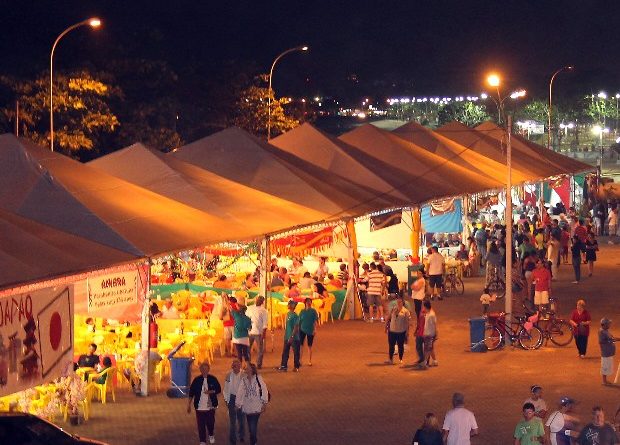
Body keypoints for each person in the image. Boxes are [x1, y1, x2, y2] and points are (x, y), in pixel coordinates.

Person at [187, 362, 222, 445]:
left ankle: (211, 434)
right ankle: (202, 441)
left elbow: (218, 389)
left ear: (208, 370)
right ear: (200, 370)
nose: (204, 371)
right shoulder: (197, 380)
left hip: (210, 406)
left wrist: (211, 391)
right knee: (201, 425)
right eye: (202, 369)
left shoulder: (213, 379)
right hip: (199, 406)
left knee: (210, 423)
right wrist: (189, 404)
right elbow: (191, 393)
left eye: (206, 369)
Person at [235, 364, 269, 445]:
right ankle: (253, 439)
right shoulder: (244, 380)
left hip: (256, 406)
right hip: (247, 407)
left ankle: (253, 442)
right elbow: (240, 392)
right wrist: (238, 404)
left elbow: (264, 389)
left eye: (248, 368)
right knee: (250, 425)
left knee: (252, 425)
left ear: (251, 369)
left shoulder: (258, 378)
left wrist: (264, 402)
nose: (246, 369)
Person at [223, 359, 245, 445]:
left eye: (237, 366)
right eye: (234, 366)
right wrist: (226, 399)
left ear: (240, 366)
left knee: (241, 420)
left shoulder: (244, 375)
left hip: (241, 398)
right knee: (232, 421)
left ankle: (241, 435)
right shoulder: (229, 375)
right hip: (232, 398)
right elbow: (226, 388)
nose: (235, 368)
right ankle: (233, 440)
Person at [385, 297, 411, 365]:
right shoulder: (393, 309)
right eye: (397, 302)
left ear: (403, 303)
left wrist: (407, 331)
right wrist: (386, 327)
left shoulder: (405, 311)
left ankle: (400, 359)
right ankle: (390, 359)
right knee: (391, 346)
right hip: (392, 330)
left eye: (400, 302)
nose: (398, 303)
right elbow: (388, 318)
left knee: (400, 346)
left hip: (401, 331)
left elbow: (407, 322)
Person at [276, 300, 301, 372]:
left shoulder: (295, 316)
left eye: (289, 304)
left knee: (296, 352)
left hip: (294, 338)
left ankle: (296, 367)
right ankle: (283, 366)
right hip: (287, 336)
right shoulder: (288, 314)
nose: (288, 305)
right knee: (285, 352)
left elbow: (296, 327)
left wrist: (292, 336)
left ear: (292, 306)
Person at [246, 296, 268, 369]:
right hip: (250, 332)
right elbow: (246, 318)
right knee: (248, 349)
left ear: (262, 302)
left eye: (260, 300)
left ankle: (258, 364)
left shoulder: (264, 311)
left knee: (260, 349)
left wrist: (264, 334)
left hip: (258, 333)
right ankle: (248, 363)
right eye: (257, 299)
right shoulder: (250, 308)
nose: (258, 301)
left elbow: (265, 323)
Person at [417, 300, 437, 369]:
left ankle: (425, 362)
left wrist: (435, 333)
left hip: (429, 334)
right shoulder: (428, 313)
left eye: (423, 306)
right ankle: (434, 361)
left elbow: (434, 325)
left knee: (427, 349)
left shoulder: (431, 315)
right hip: (428, 333)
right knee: (430, 348)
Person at [299, 298, 319, 366]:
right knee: (301, 345)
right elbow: (299, 321)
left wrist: (315, 329)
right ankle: (300, 360)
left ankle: (309, 361)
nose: (308, 303)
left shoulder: (313, 311)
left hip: (310, 330)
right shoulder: (302, 311)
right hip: (302, 329)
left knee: (309, 346)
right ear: (305, 303)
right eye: (307, 302)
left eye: (309, 301)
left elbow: (315, 321)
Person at [599, 318, 619, 385]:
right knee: (605, 367)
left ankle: (605, 381)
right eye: (608, 324)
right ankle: (604, 381)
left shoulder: (605, 330)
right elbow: (611, 339)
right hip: (606, 352)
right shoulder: (602, 332)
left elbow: (611, 339)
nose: (610, 325)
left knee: (607, 366)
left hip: (608, 352)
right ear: (604, 325)